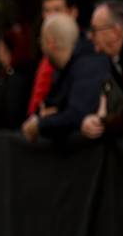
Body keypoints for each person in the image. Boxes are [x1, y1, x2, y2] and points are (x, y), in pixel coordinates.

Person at [21, 14, 110, 142]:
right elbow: (54, 108)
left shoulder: (88, 66)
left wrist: (40, 125)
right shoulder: (64, 70)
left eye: (41, 41)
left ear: (50, 43)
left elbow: (77, 114)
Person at [81, 0, 123, 139]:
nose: (91, 36)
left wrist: (102, 123)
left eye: (95, 30)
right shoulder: (116, 60)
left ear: (115, 32)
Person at [27, 0, 79, 116]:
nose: (51, 16)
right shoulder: (44, 50)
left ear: (73, 12)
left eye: (57, 10)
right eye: (47, 10)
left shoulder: (83, 53)